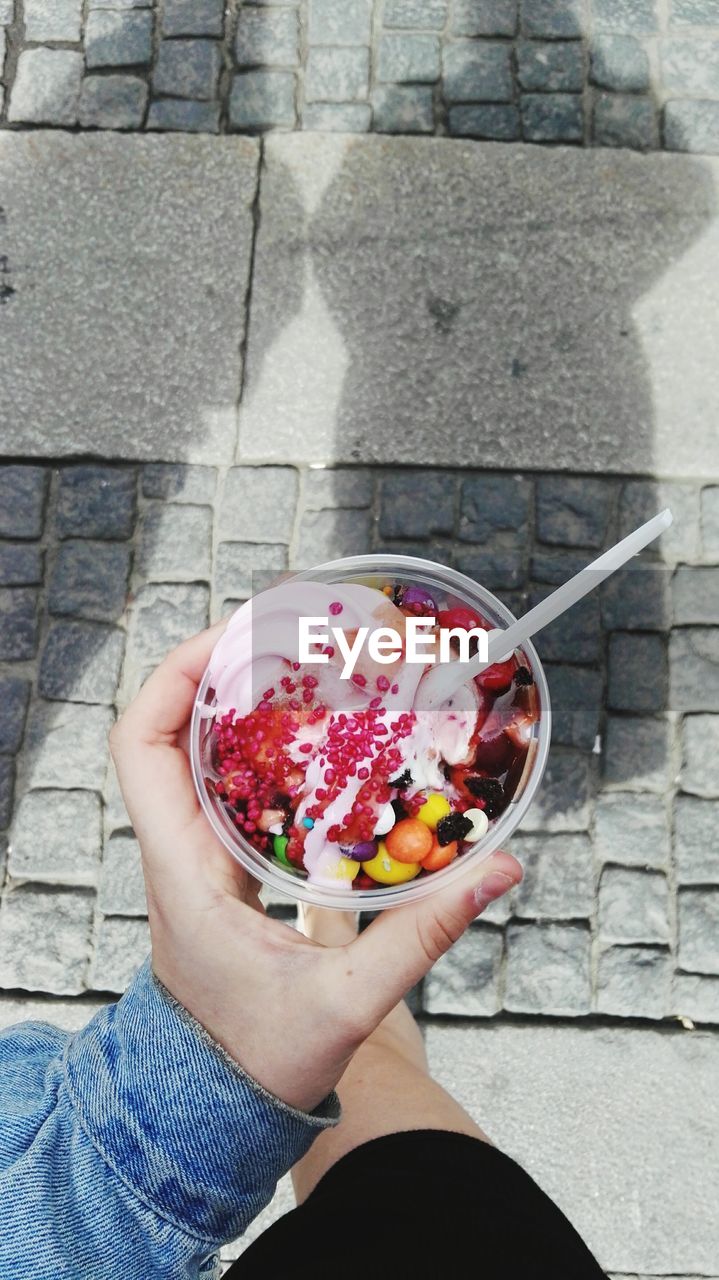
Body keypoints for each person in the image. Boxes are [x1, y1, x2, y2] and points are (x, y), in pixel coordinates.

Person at [0, 625, 606, 1279]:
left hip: (386, 1230)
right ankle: (329, 910)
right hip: (479, 1240)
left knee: (370, 1065)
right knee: (374, 1066)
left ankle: (327, 914)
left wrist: (202, 1063)